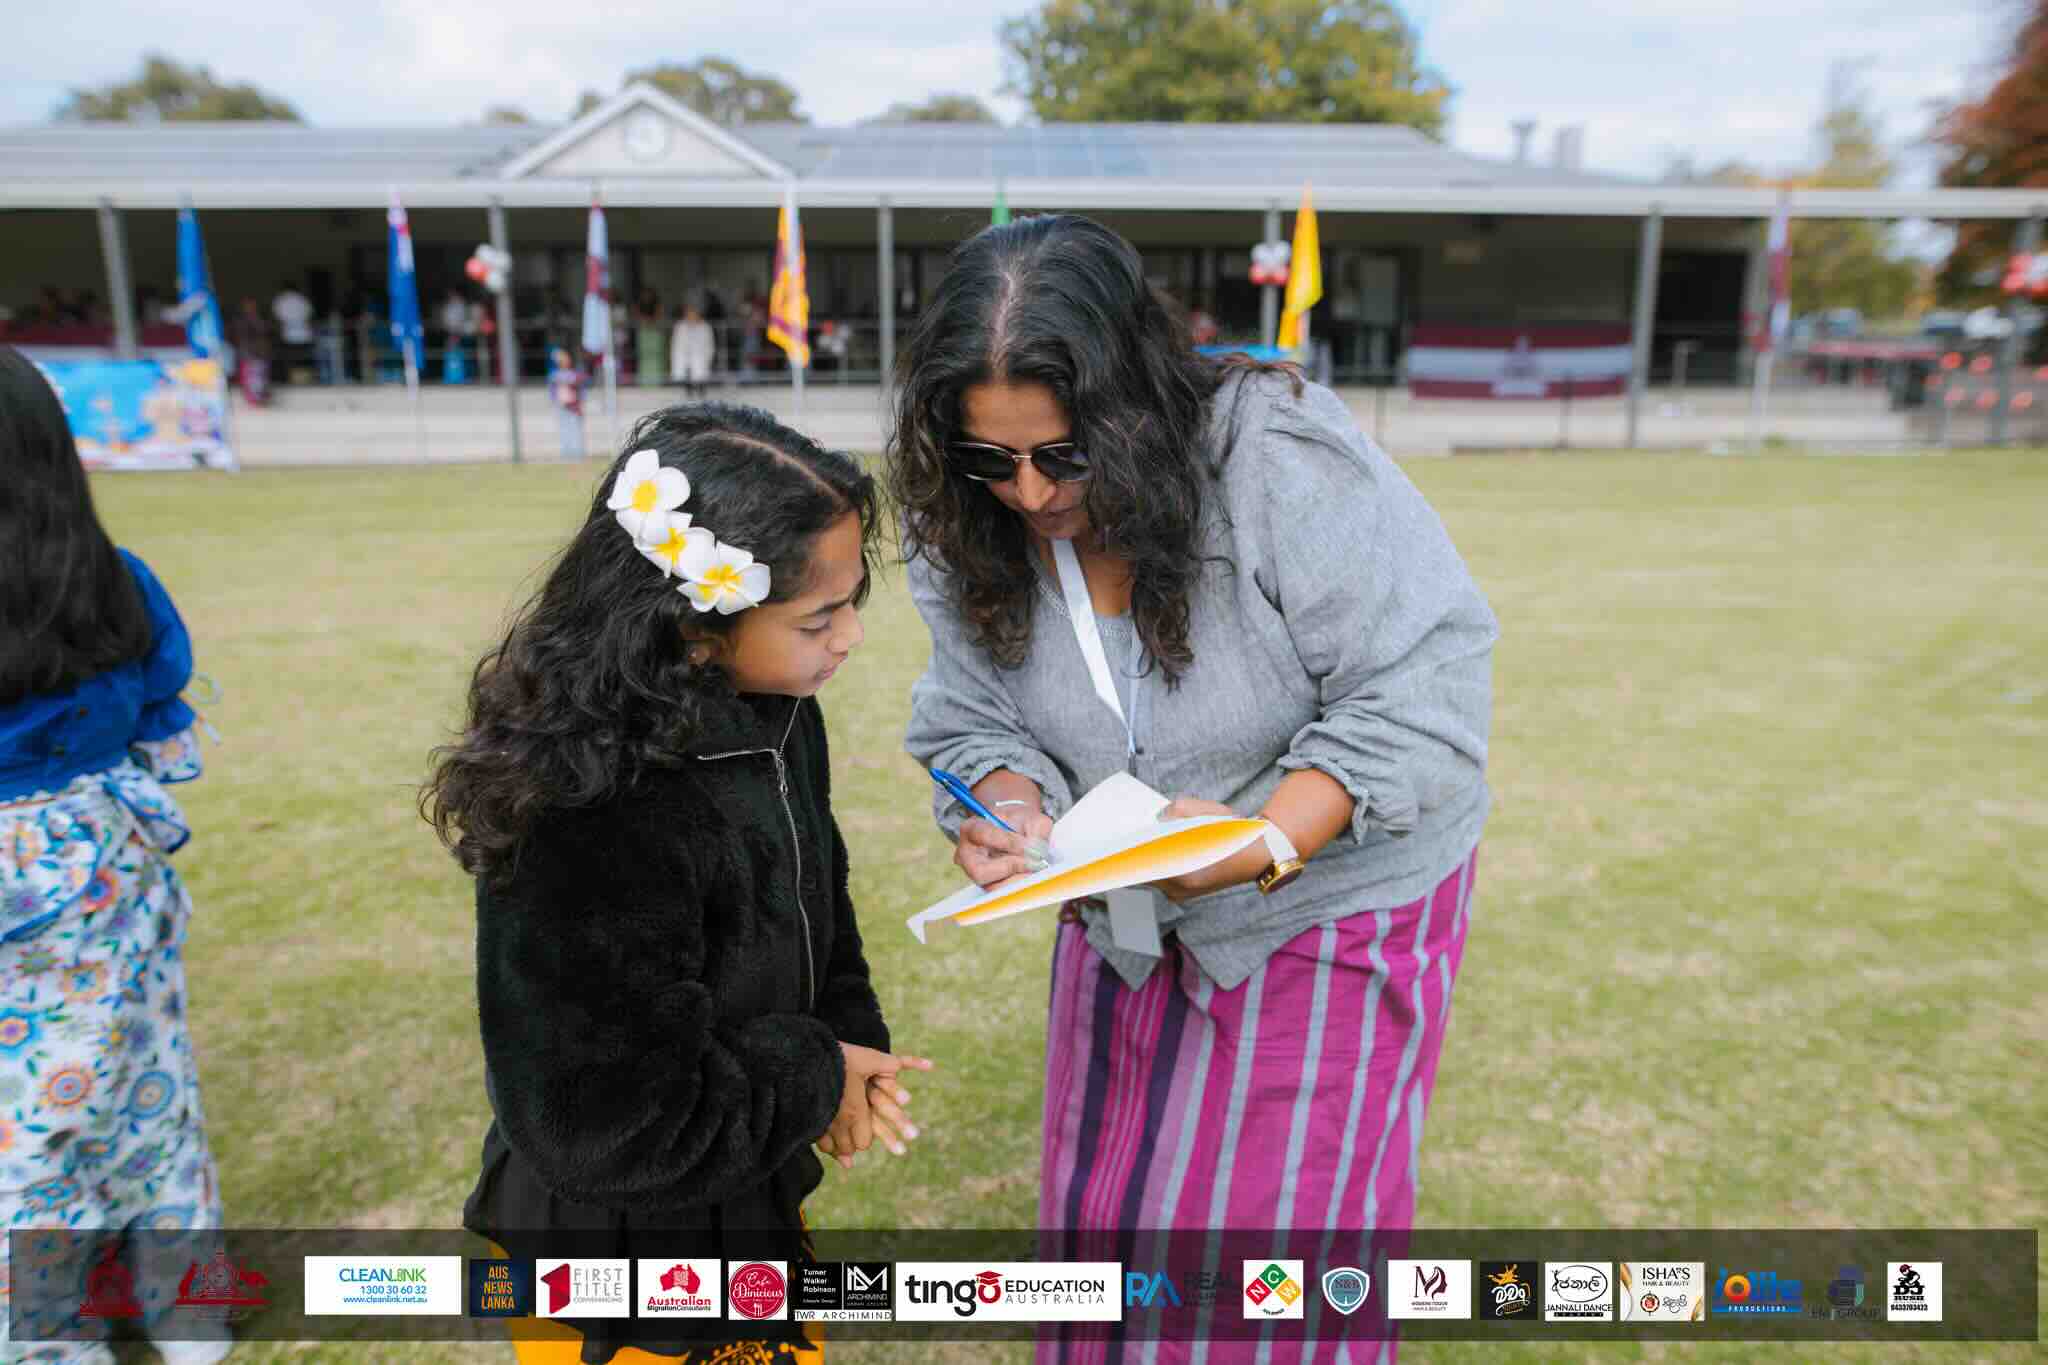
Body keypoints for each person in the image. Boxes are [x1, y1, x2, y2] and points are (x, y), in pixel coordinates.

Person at [888, 215, 1496, 1363]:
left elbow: (1424, 684)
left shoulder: (1273, 457)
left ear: (1131, 412)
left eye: (1061, 456)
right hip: (1120, 900)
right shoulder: (965, 518)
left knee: (1257, 1246)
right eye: (990, 459)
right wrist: (1008, 807)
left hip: (1327, 898)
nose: (1025, 493)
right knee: (1106, 1215)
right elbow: (970, 717)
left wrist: (1263, 839)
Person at [425, 402, 932, 1365]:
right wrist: (815, 1072)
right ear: (695, 627)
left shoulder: (777, 710)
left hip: (740, 1193)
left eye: (854, 599)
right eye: (820, 615)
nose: (853, 635)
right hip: (627, 1260)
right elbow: (605, 1120)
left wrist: (848, 1030)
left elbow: (814, 883)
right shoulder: (585, 802)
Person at [0, 346, 227, 1365]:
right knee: (149, 1092)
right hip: (106, 862)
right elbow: (156, 725)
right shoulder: (116, 585)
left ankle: (52, 1341)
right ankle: (187, 1316)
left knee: (21, 1139)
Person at [228, 297, 271, 406]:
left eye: (252, 305)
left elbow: (265, 331)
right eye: (247, 305)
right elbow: (237, 335)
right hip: (246, 352)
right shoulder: (239, 319)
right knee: (249, 376)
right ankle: (252, 398)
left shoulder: (259, 318)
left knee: (260, 375)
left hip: (259, 352)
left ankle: (260, 397)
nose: (250, 307)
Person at [546, 346, 585, 460]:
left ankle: (577, 452)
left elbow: (580, 390)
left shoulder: (575, 374)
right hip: (561, 406)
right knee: (564, 429)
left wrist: (580, 401)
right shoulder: (554, 376)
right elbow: (552, 391)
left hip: (573, 406)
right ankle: (567, 452)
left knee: (575, 428)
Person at [271, 279, 314, 382]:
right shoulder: (303, 299)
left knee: (289, 360)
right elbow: (310, 317)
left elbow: (277, 319)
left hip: (287, 336)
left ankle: (291, 380)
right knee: (304, 361)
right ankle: (305, 381)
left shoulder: (280, 300)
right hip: (305, 336)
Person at [670, 304, 716, 399]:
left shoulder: (705, 327)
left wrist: (708, 358)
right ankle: (688, 395)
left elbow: (709, 345)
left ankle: (701, 395)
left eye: (693, 314)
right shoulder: (680, 326)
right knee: (686, 375)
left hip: (700, 357)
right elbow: (676, 344)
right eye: (689, 314)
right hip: (684, 357)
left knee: (700, 375)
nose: (691, 316)